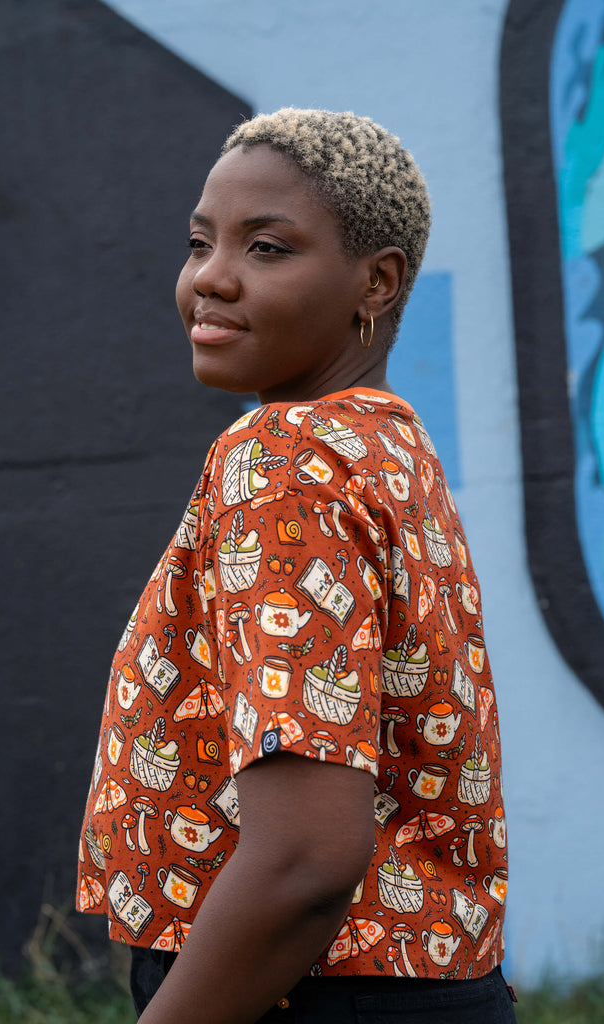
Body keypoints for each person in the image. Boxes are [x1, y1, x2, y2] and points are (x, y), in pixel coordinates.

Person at [77, 108, 516, 1024]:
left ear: (377, 281)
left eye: (267, 249)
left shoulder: (281, 459)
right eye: (200, 243)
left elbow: (306, 858)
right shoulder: (388, 447)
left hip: (296, 991)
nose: (210, 279)